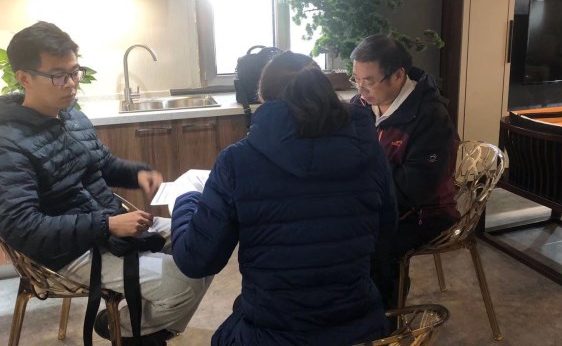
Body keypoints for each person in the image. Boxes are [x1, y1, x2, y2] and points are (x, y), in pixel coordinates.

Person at [0, 21, 212, 346]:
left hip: (109, 226)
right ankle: (127, 330)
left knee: (207, 240)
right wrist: (107, 224)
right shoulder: (8, 143)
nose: (72, 84)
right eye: (59, 75)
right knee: (185, 283)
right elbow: (22, 227)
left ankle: (140, 330)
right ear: (25, 77)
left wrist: (136, 174)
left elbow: (102, 164)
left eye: (75, 72)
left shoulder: (71, 116)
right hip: (67, 252)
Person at [171, 51, 397, 345]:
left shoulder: (238, 161)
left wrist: (185, 200)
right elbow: (386, 235)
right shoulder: (368, 150)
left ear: (264, 99)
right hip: (359, 330)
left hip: (271, 334)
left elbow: (195, 260)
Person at [350, 33, 460, 309]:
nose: (361, 89)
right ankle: (350, 308)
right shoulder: (361, 106)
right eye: (356, 79)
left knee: (371, 244)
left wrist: (360, 181)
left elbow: (415, 189)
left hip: (425, 214)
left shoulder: (430, 117)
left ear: (398, 75)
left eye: (369, 81)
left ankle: (386, 318)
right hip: (376, 202)